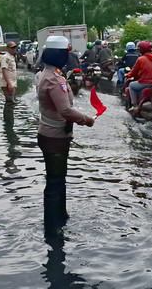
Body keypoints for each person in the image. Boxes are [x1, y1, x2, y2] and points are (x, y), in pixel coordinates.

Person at [37, 36, 95, 230]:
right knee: (55, 183)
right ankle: (54, 226)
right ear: (59, 55)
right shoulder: (54, 80)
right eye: (65, 54)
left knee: (57, 180)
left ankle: (59, 217)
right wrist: (87, 120)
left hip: (51, 135)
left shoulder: (46, 74)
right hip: (55, 137)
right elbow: (65, 111)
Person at [124, 40, 152, 113]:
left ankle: (134, 106)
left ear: (142, 49)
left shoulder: (141, 59)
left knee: (131, 85)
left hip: (146, 82)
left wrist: (127, 75)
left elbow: (133, 72)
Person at [1, 41, 18, 107]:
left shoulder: (12, 57)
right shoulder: (6, 57)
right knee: (10, 102)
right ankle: (8, 116)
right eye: (12, 48)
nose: (14, 49)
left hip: (12, 82)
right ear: (7, 48)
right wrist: (9, 84)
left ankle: (10, 116)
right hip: (8, 83)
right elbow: (4, 70)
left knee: (12, 102)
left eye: (15, 48)